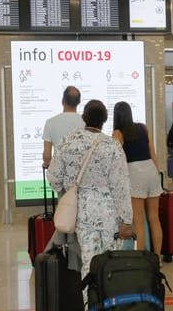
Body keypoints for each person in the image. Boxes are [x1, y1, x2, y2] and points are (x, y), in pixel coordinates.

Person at [47, 100, 134, 285]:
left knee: (88, 262)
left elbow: (54, 176)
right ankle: (110, 300)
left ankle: (90, 303)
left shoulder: (68, 142)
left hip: (82, 212)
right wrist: (126, 219)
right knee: (110, 261)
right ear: (104, 120)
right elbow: (121, 186)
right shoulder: (112, 146)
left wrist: (65, 191)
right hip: (109, 212)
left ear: (84, 118)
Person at [112, 101, 163, 257]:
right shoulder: (143, 127)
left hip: (134, 173)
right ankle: (158, 259)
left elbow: (116, 160)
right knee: (154, 218)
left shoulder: (117, 134)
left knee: (139, 221)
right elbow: (152, 153)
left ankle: (141, 261)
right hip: (151, 171)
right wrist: (158, 174)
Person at [42, 86, 84, 168]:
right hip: (82, 176)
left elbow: (47, 157)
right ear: (79, 102)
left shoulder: (50, 122)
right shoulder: (86, 122)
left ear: (62, 101)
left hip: (59, 176)